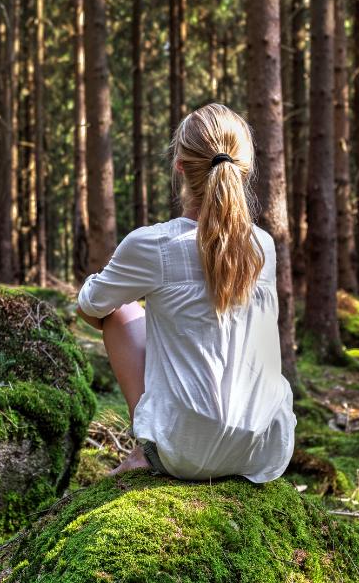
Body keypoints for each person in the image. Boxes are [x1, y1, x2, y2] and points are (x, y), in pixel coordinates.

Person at [76, 102, 297, 482]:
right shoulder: (263, 245)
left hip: (185, 453)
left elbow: (90, 306)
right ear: (243, 168)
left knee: (120, 311)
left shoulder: (153, 244)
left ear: (179, 165)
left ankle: (146, 448)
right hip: (264, 449)